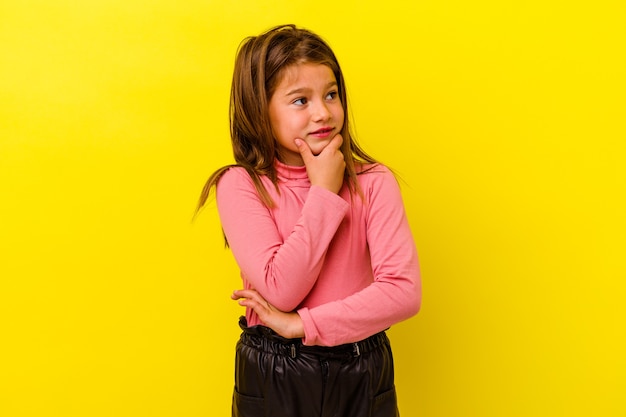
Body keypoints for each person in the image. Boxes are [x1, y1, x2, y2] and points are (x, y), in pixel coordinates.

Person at [196, 24, 421, 417]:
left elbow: (403, 292)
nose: (323, 112)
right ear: (259, 109)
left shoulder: (374, 182)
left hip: (361, 368)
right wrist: (323, 192)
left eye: (331, 94)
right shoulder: (241, 185)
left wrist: (301, 325)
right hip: (274, 371)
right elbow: (281, 289)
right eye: (300, 100)